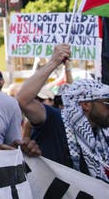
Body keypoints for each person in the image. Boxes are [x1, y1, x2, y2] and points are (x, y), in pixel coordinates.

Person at [16, 44, 109, 181]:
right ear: (86, 104)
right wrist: (54, 62)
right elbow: (23, 99)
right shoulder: (56, 120)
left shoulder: (102, 137)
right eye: (107, 104)